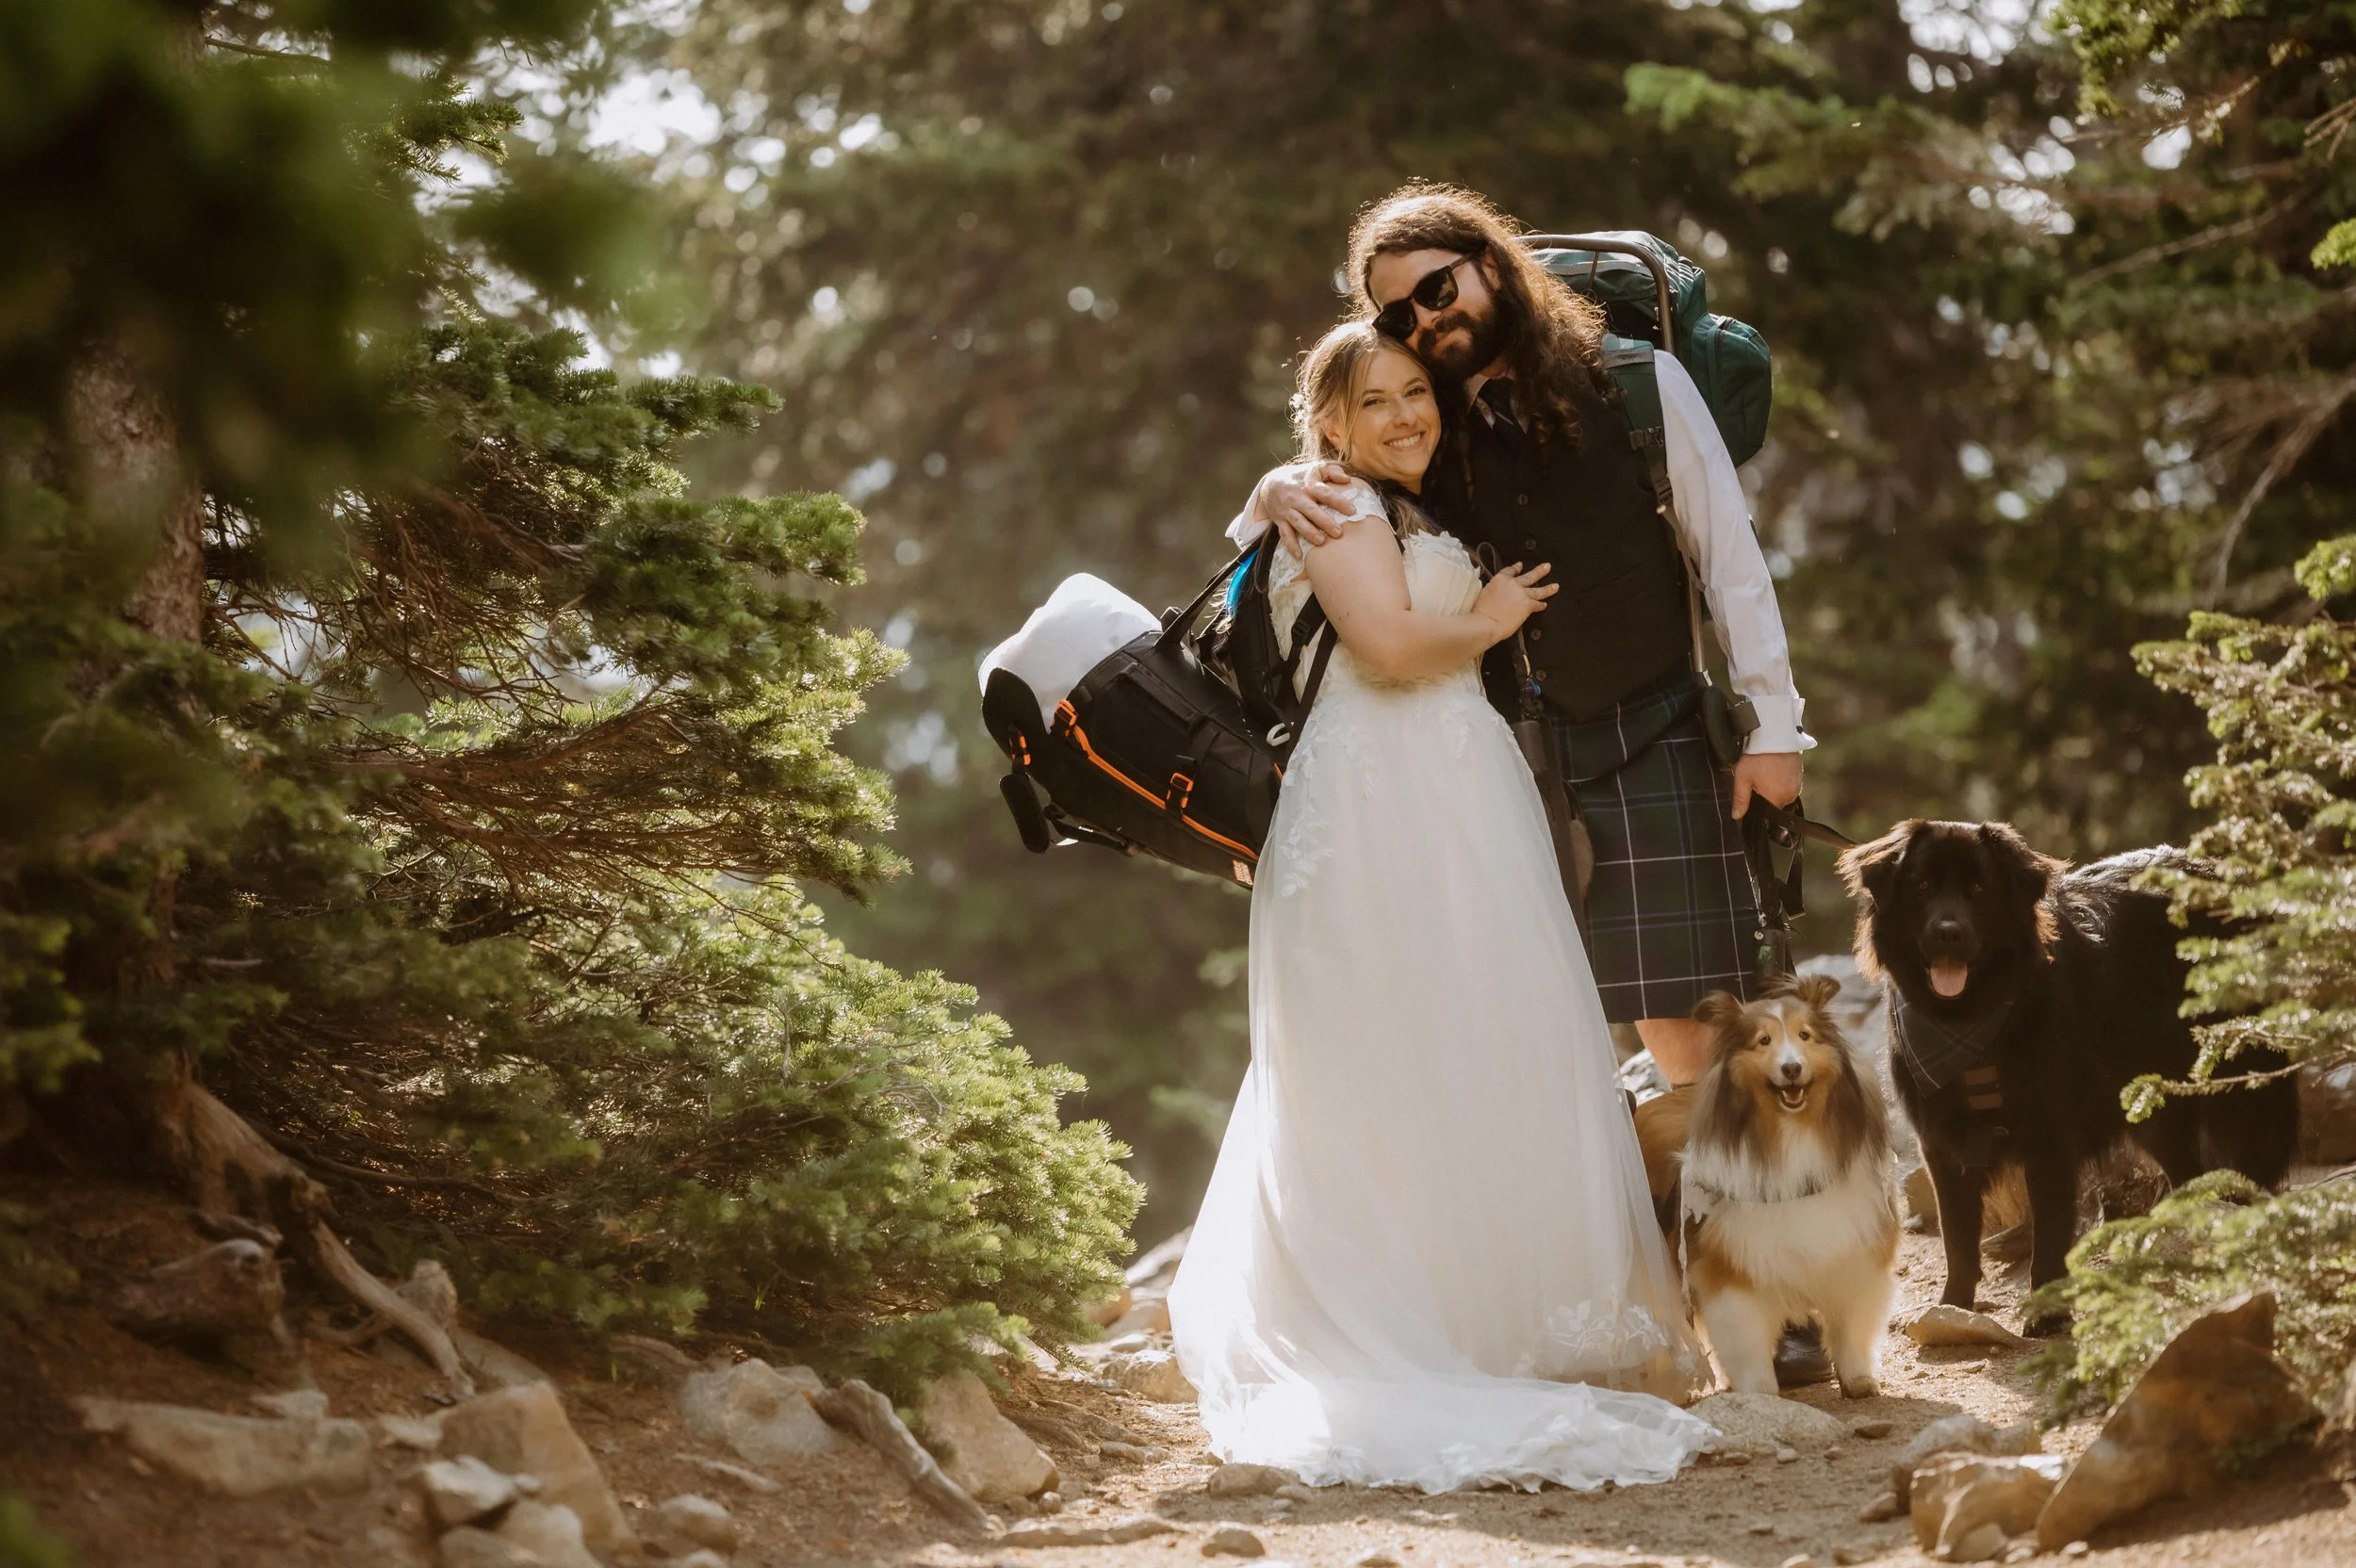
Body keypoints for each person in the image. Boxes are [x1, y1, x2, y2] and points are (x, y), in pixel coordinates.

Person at [1166, 320, 1713, 1494]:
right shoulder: (1344, 504)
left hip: (1447, 789)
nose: (1408, 414)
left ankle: (1490, 1306)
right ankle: (1420, 1322)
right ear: (1330, 422)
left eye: (1418, 391)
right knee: (1400, 1043)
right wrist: (1497, 615)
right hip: (1385, 797)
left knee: (1471, 1038)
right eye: (1377, 401)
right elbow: (1395, 645)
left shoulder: (1384, 502)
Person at [1235, 186, 1813, 1090]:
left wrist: (1774, 729)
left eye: (1437, 290)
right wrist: (1272, 488)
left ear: (1491, 267)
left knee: (1688, 1005)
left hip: (1656, 724)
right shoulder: (1424, 418)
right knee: (1535, 1005)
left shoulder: (1638, 383)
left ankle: (1738, 1217)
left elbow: (1728, 560)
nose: (1424, 322)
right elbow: (1341, 480)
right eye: (1397, 313)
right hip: (1502, 759)